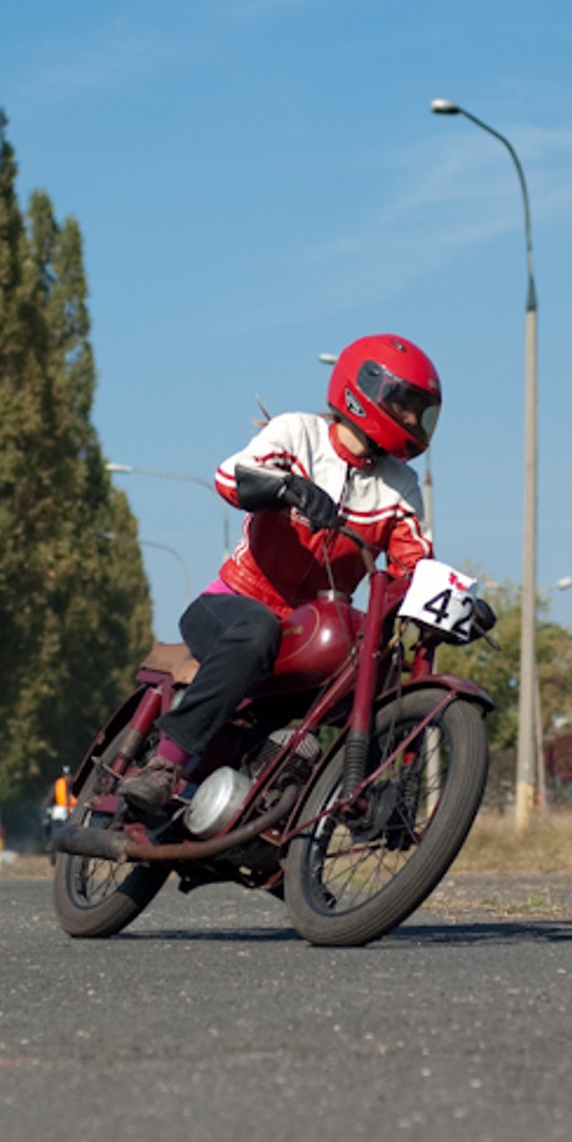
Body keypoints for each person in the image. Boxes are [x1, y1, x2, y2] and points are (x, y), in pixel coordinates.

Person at [120, 333, 465, 811]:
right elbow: (231, 475)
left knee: (377, 661)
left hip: (312, 632)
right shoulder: (297, 432)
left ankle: (360, 795)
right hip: (234, 603)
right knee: (257, 630)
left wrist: (460, 606)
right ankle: (167, 763)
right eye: (404, 405)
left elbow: (414, 564)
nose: (411, 420)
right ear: (362, 389)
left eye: (420, 411)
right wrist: (286, 488)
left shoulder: (400, 487)